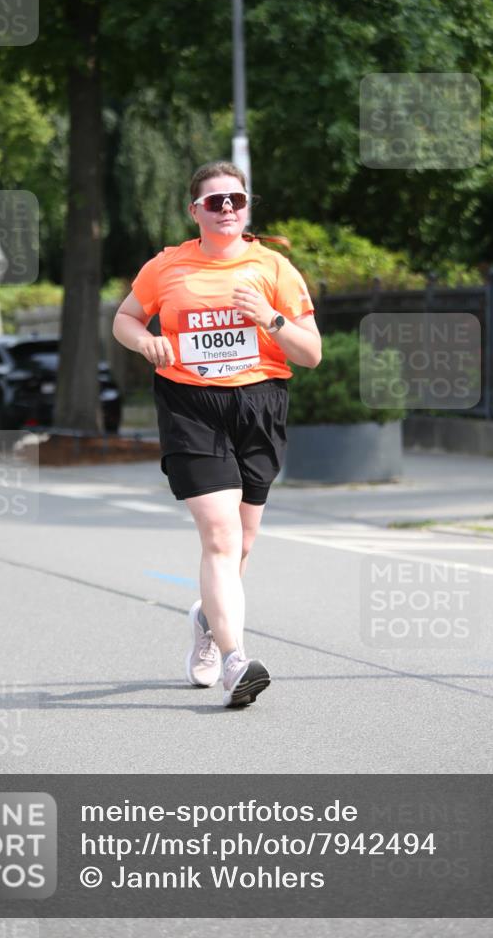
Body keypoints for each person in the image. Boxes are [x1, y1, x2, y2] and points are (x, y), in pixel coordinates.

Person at [112, 161, 321, 708]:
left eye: (236, 199)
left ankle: (206, 620)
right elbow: (125, 319)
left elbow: (312, 353)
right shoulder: (167, 267)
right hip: (190, 404)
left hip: (258, 404)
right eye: (215, 201)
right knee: (221, 538)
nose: (227, 208)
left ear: (247, 207)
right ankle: (235, 660)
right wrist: (145, 343)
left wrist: (270, 319)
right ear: (195, 212)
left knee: (243, 543)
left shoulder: (274, 269)